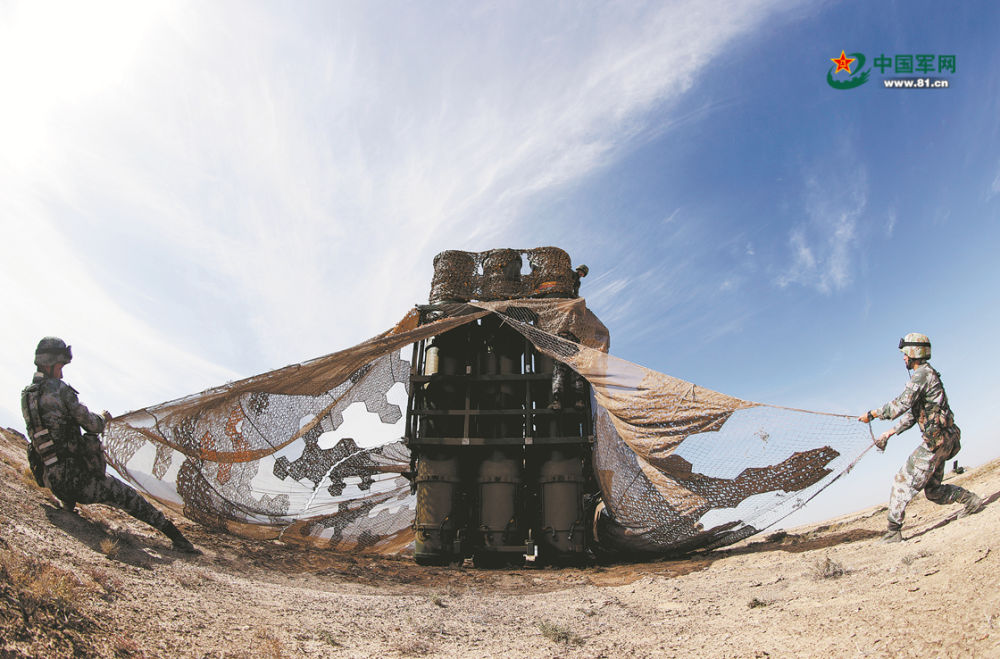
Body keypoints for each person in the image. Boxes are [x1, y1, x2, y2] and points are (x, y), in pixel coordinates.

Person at [21, 337, 198, 553]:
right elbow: (92, 425)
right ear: (50, 364)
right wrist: (104, 418)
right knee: (128, 496)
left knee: (60, 454)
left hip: (47, 477)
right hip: (73, 481)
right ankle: (177, 538)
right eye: (60, 367)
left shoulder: (27, 395)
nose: (62, 373)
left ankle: (67, 503)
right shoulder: (59, 390)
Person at [859, 333, 983, 543]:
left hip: (937, 442)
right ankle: (971, 501)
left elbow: (899, 405)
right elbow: (913, 415)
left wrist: (871, 414)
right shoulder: (927, 375)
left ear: (913, 353)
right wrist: (890, 433)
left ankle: (893, 532)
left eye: (905, 354)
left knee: (902, 481)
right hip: (948, 439)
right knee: (933, 492)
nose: (903, 359)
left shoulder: (921, 375)